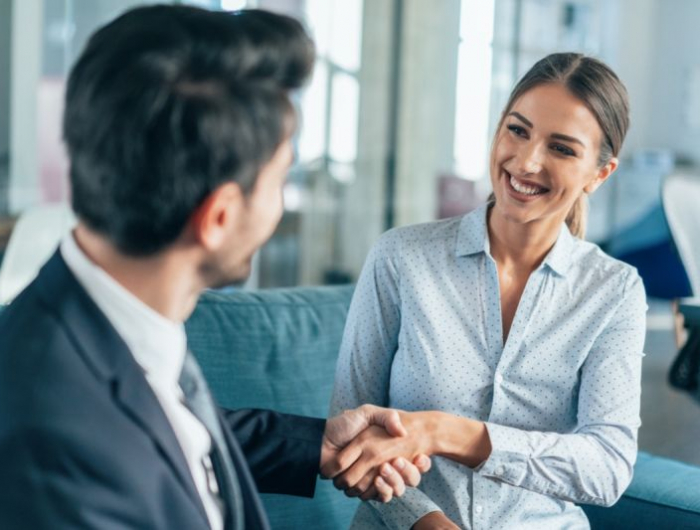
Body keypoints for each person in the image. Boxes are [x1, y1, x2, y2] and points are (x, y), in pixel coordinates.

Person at [0, 5, 430, 530]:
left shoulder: (107, 324)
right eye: (278, 181)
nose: (277, 204)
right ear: (219, 217)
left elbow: (159, 429)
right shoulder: (54, 444)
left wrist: (317, 443)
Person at [328, 52, 646, 529]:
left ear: (599, 174)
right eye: (518, 130)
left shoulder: (614, 292)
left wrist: (447, 432)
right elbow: (350, 433)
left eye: (561, 149)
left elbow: (607, 466)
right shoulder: (402, 257)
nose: (527, 161)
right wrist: (427, 522)